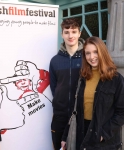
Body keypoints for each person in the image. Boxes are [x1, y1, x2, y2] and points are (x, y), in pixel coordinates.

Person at [64, 36, 124, 150]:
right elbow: (74, 109)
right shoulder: (82, 77)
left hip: (104, 139)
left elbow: (122, 112)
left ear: (102, 52)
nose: (92, 57)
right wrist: (65, 136)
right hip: (82, 134)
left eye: (95, 52)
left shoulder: (116, 79)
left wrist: (103, 133)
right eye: (87, 53)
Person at [49, 18, 84, 150]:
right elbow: (54, 87)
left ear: (79, 33)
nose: (70, 36)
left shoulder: (86, 58)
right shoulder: (55, 61)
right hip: (60, 115)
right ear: (62, 34)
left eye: (74, 31)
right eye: (67, 32)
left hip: (81, 114)